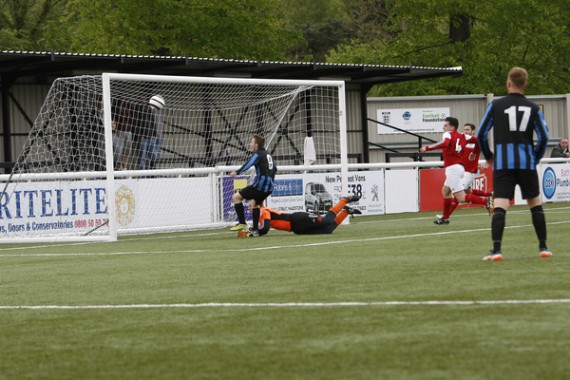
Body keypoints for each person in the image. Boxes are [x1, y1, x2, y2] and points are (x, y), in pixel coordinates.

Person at [478, 67, 551, 261]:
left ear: (508, 83)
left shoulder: (496, 105)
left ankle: (497, 250)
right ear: (525, 84)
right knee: (535, 204)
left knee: (500, 205)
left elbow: (481, 134)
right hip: (526, 163)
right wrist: (534, 157)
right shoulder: (534, 108)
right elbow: (544, 137)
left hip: (503, 164)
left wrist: (489, 156)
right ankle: (543, 247)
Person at [420, 116, 492, 225]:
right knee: (446, 192)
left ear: (452, 127)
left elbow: (445, 143)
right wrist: (475, 151)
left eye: (445, 125)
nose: (443, 127)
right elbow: (478, 140)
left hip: (454, 169)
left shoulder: (448, 134)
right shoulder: (464, 136)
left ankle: (486, 201)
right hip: (458, 168)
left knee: (462, 198)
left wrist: (428, 148)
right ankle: (445, 218)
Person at [229, 135, 277, 236]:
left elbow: (249, 163)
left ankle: (242, 223)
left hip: (260, 186)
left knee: (236, 197)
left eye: (251, 142)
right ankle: (255, 230)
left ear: (256, 145)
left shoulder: (257, 154)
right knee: (254, 204)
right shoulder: (268, 155)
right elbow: (275, 169)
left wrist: (237, 172)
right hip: (269, 188)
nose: (250, 144)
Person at [445, 123, 494, 217]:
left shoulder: (476, 142)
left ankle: (446, 216)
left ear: (473, 131)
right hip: (461, 172)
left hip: (470, 172)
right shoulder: (463, 142)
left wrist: (486, 159)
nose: (465, 131)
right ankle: (490, 196)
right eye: (464, 129)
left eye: (467, 129)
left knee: (458, 193)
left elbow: (485, 148)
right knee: (468, 191)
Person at [256, 195, 361, 236]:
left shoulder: (263, 210)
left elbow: (265, 229)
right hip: (297, 229)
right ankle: (346, 212)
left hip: (299, 220)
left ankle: (344, 200)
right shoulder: (260, 214)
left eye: (249, 202)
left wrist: (254, 233)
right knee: (327, 230)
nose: (248, 205)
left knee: (326, 221)